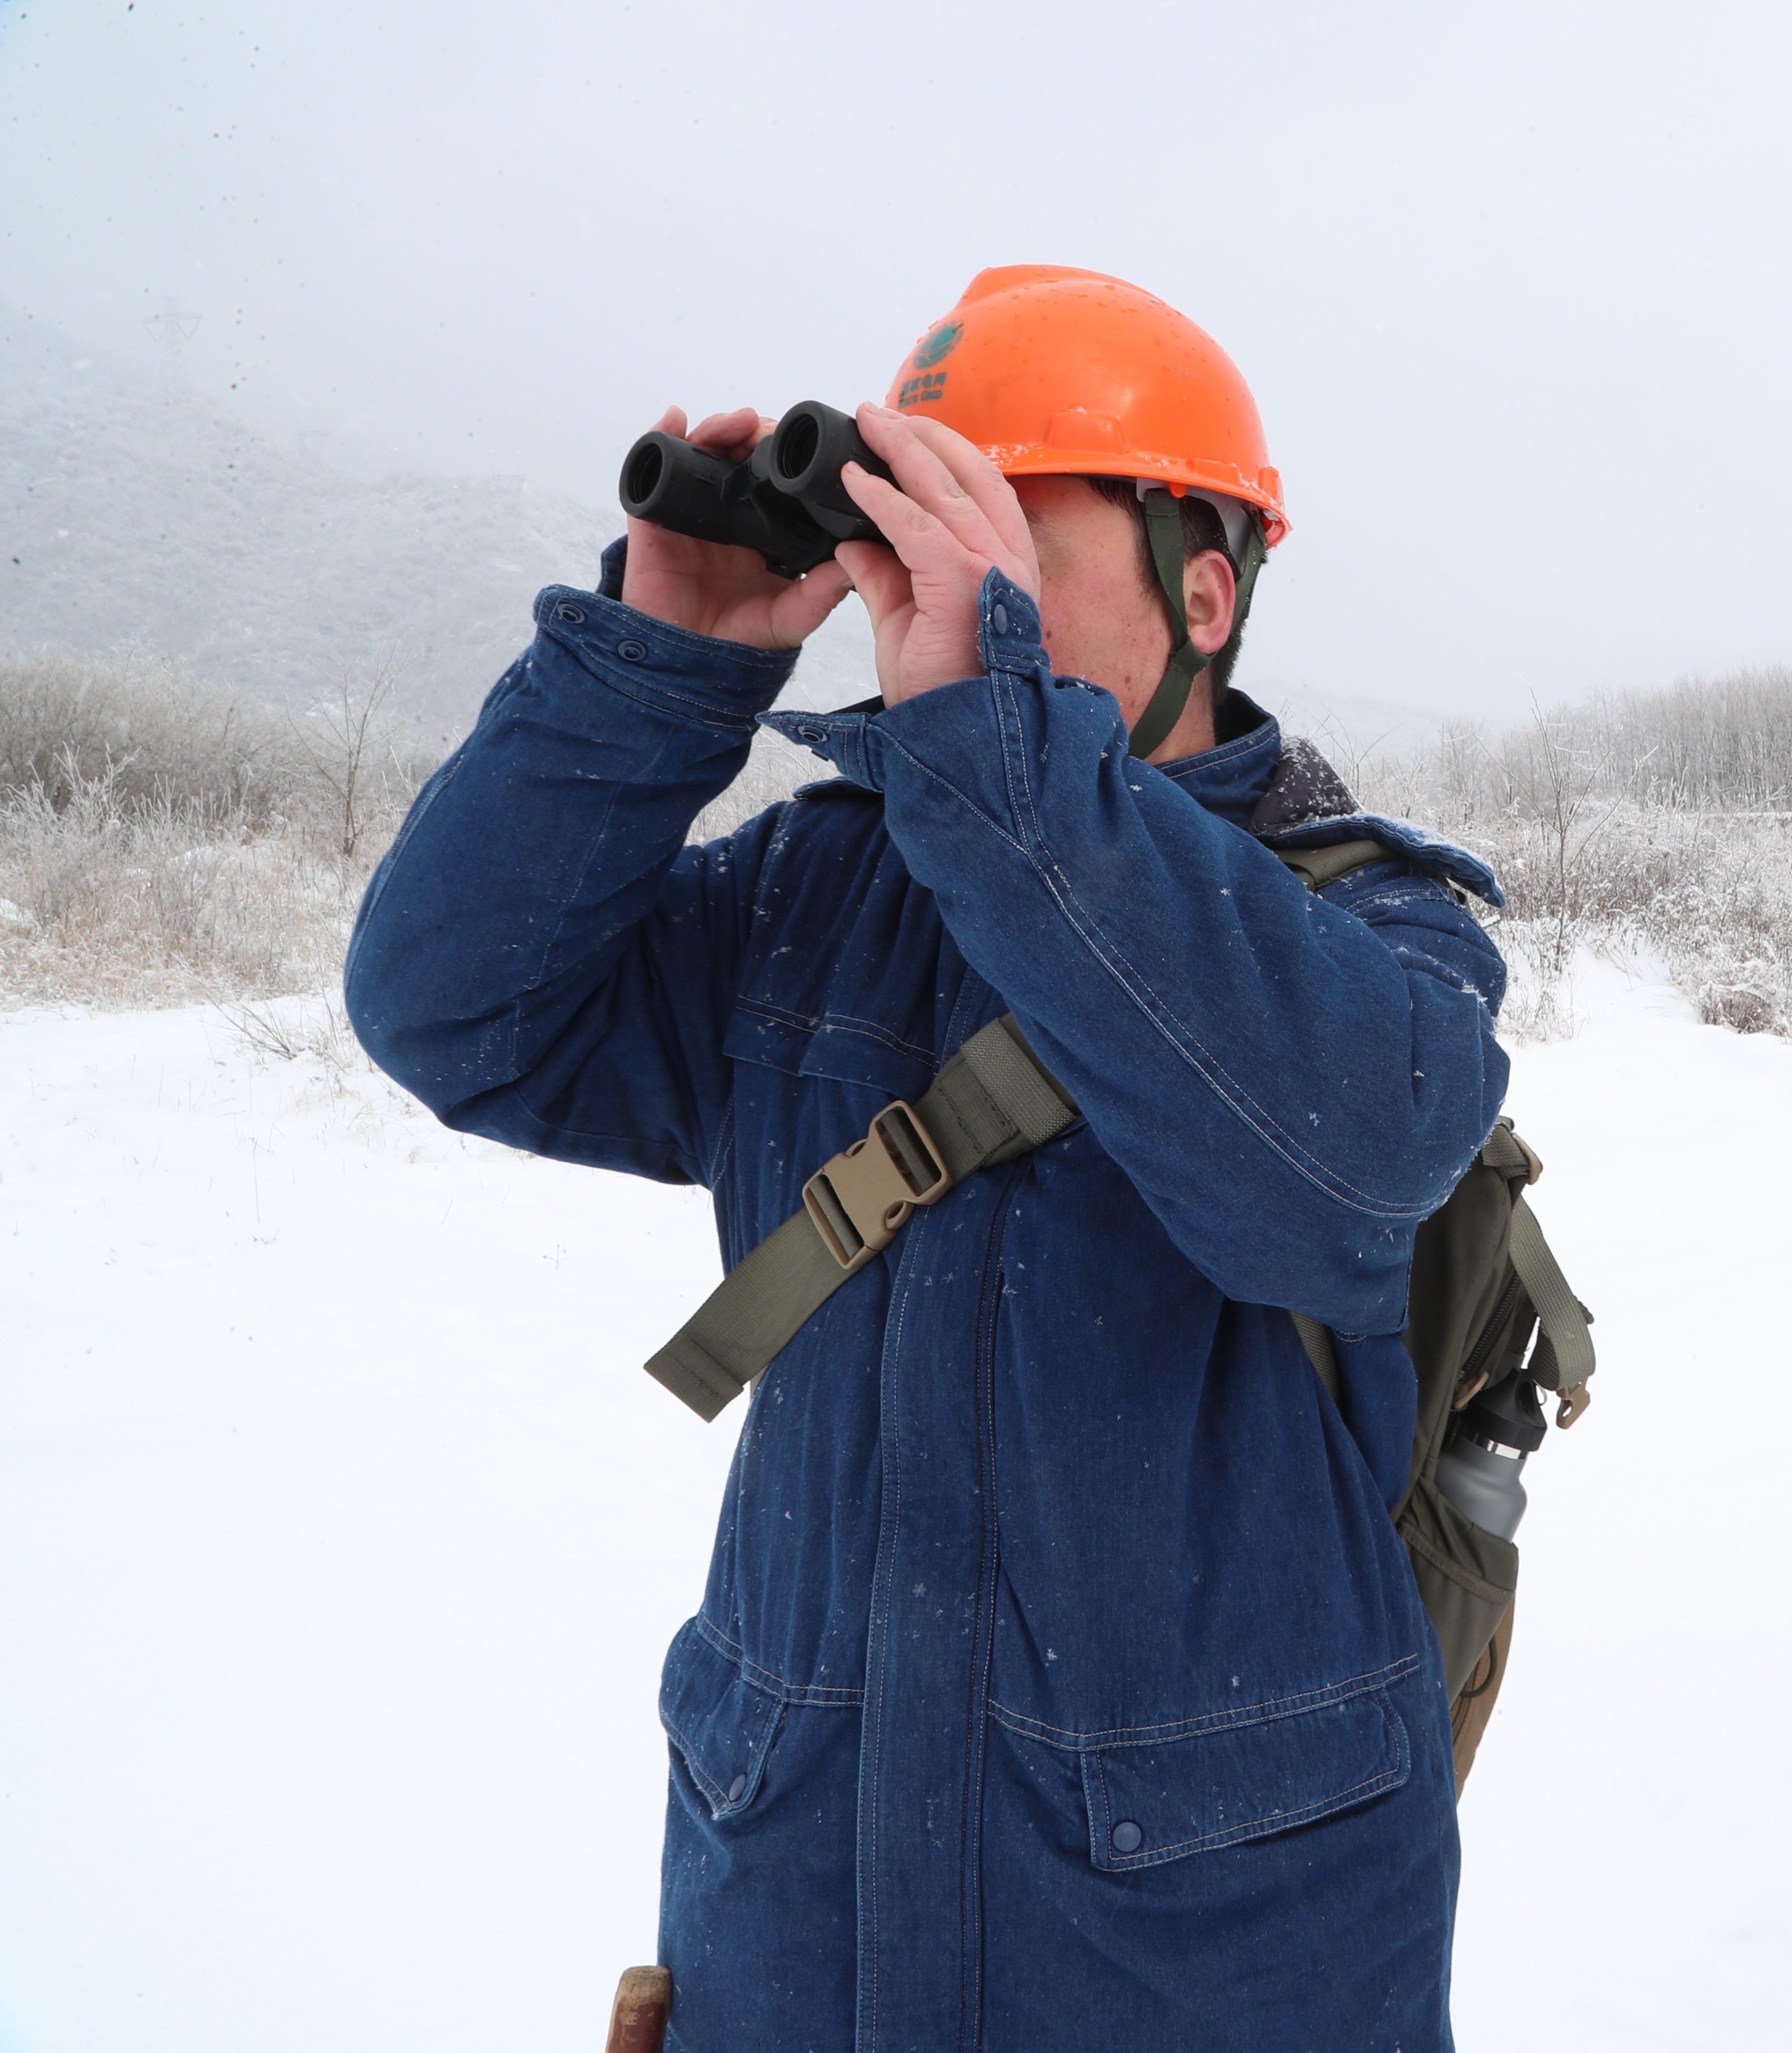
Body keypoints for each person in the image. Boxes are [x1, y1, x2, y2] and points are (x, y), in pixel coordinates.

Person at [345, 267, 1508, 2050]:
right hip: (796, 1916)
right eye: (913, 527)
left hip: (1210, 1958)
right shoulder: (818, 894)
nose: (945, 581)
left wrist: (1000, 751)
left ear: (1210, 590)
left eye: (1014, 534)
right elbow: (458, 1009)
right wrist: (673, 663)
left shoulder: (1370, 925)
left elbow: (1344, 1167)